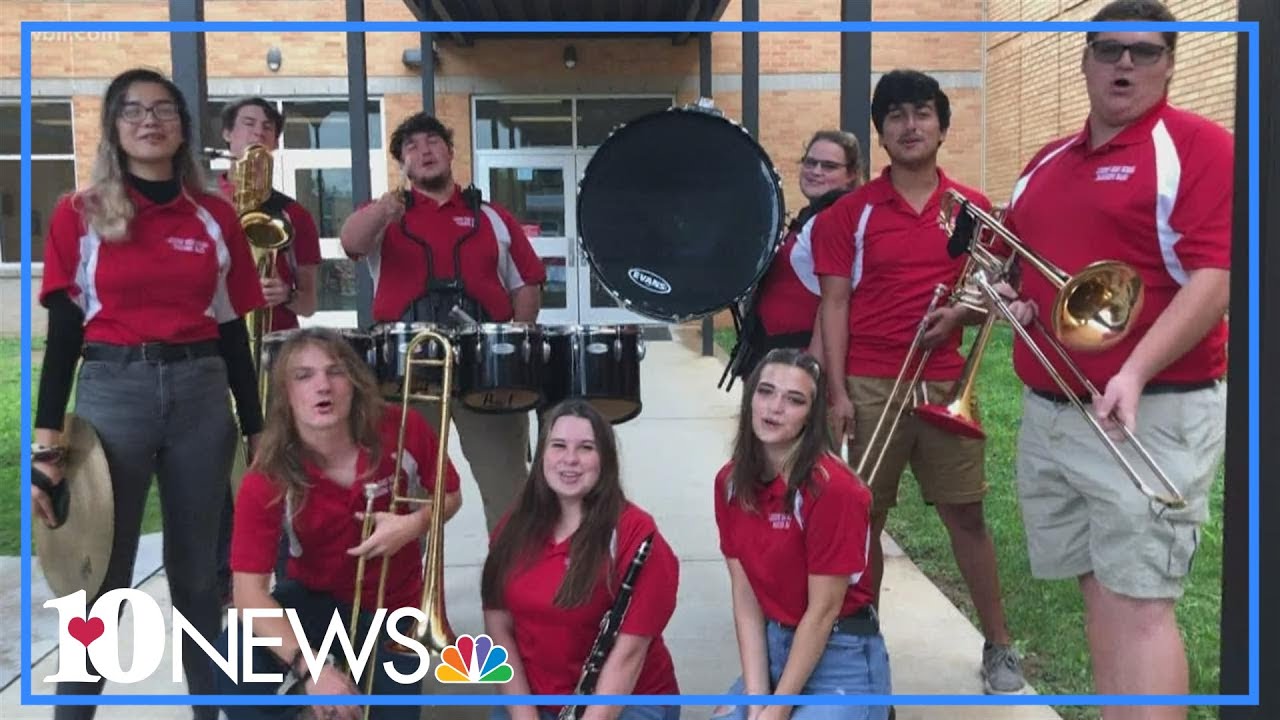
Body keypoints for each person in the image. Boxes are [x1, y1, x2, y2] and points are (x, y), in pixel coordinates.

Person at [998, 2, 1231, 716]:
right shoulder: (1045, 161)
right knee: (1100, 590)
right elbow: (1016, 266)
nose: (1124, 63)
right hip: (1055, 413)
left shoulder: (1198, 148)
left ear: (1170, 63)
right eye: (1108, 50)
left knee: (1140, 604)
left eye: (1144, 51)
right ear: (1084, 59)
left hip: (1146, 415)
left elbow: (1216, 278)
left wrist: (1133, 372)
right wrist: (1009, 300)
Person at [29, 67, 265, 720]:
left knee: (200, 580)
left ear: (183, 128)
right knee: (98, 583)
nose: (148, 120)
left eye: (163, 109)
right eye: (131, 110)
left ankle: (210, 713)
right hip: (113, 396)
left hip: (200, 395)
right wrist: (46, 449)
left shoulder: (214, 216)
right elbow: (65, 333)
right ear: (112, 127)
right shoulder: (80, 214)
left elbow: (231, 332)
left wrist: (257, 427)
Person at [811, 69, 1027, 694]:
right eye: (897, 115)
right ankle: (864, 640)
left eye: (923, 113)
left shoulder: (973, 209)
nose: (911, 125)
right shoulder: (847, 215)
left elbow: (997, 291)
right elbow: (833, 306)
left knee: (967, 515)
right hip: (871, 381)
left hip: (943, 381)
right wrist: (838, 392)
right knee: (864, 520)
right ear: (879, 133)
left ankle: (1000, 644)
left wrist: (961, 313)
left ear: (942, 125)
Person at [212, 327, 463, 720]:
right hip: (315, 600)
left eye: (335, 372)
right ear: (286, 396)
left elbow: (450, 496)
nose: (322, 386)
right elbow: (247, 594)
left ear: (356, 383)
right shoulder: (267, 475)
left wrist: (413, 525)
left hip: (392, 608)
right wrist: (309, 667)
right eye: (304, 376)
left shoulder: (403, 428)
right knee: (230, 657)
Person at [340, 112, 546, 535]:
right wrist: (383, 209)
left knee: (506, 486)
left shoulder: (492, 216)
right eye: (411, 146)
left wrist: (513, 345)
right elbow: (351, 243)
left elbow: (527, 283)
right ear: (403, 164)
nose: (424, 150)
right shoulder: (386, 215)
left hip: (484, 371)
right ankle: (405, 594)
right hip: (407, 372)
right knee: (402, 488)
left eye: (432, 141)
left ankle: (509, 592)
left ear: (451, 152)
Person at [710, 348, 891, 720]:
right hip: (775, 648)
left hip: (840, 654)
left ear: (811, 417)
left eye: (794, 400)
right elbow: (746, 599)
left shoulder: (834, 491)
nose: (774, 407)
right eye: (765, 392)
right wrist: (757, 700)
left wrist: (777, 711)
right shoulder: (730, 483)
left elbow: (823, 612)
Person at [480, 399, 681, 720]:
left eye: (586, 448)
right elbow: (498, 627)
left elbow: (628, 656)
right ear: (542, 454)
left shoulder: (637, 536)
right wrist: (524, 715)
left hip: (626, 701)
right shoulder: (512, 528)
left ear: (605, 460)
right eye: (558, 446)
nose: (570, 459)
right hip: (533, 699)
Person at [214, 95, 324, 602]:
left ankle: (278, 573)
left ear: (276, 143)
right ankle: (220, 574)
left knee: (277, 460)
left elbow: (310, 298)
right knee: (217, 461)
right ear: (229, 137)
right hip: (214, 349)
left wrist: (286, 294)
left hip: (275, 346)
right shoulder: (206, 204)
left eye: (267, 128)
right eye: (248, 124)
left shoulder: (294, 213)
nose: (258, 133)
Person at [722, 130, 863, 388]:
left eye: (829, 166)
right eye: (810, 162)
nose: (816, 171)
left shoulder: (836, 220)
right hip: (773, 354)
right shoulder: (811, 215)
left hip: (798, 360)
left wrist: (812, 371)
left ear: (851, 174)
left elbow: (834, 301)